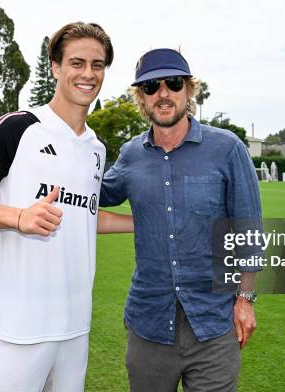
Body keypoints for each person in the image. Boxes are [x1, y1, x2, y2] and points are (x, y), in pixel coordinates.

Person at [0, 22, 132, 392]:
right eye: (77, 63)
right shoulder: (19, 127)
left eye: (98, 65)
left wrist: (141, 222)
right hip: (18, 325)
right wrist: (19, 217)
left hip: (75, 327)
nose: (88, 74)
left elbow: (82, 217)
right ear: (56, 67)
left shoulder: (96, 148)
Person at [100, 48, 262, 392]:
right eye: (150, 87)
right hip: (149, 325)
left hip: (214, 326)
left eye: (173, 83)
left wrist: (245, 300)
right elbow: (88, 196)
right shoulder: (130, 155)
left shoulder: (228, 148)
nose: (163, 94)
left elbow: (249, 230)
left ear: (189, 90)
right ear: (141, 99)